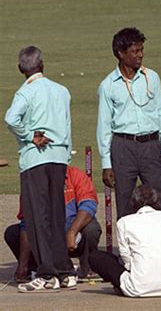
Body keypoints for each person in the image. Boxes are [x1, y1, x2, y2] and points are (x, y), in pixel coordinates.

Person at [4, 46, 76, 292]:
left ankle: (48, 273)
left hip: (35, 159)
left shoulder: (25, 92)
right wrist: (65, 157)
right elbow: (67, 125)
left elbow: (10, 119)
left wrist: (28, 136)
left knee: (37, 218)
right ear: (42, 65)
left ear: (20, 69)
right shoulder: (61, 90)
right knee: (57, 215)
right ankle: (65, 271)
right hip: (58, 158)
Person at [97, 27, 161, 219]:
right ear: (121, 53)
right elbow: (104, 127)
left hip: (151, 145)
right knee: (125, 203)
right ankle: (128, 250)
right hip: (123, 147)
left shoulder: (152, 77)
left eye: (141, 50)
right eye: (135, 51)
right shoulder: (108, 85)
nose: (140, 55)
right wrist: (106, 163)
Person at [89, 184, 161, 297]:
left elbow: (126, 258)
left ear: (133, 203)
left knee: (95, 257)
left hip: (138, 287)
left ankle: (122, 285)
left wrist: (132, 271)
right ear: (156, 201)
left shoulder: (124, 222)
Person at [4, 165, 102, 282]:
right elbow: (27, 222)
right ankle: (36, 268)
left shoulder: (76, 175)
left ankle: (87, 267)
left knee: (91, 229)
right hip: (45, 239)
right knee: (13, 233)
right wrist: (22, 264)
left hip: (73, 237)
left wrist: (72, 232)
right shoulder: (33, 182)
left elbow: (89, 206)